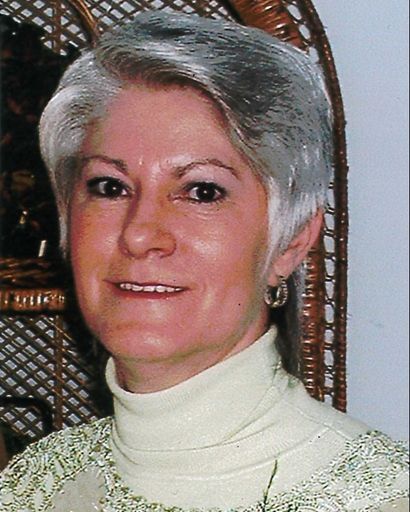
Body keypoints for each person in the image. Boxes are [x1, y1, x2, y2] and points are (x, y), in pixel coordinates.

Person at [0, 11, 408, 512]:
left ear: (290, 242)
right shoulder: (33, 488)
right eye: (110, 186)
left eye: (201, 191)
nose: (140, 235)